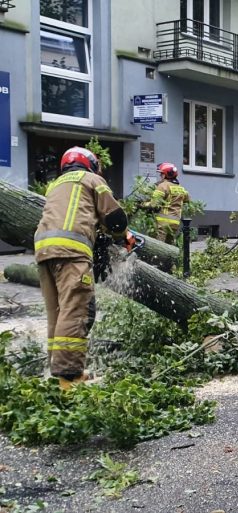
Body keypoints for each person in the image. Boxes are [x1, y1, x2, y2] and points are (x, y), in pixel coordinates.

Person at [35, 147, 130, 390]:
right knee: (77, 310)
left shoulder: (55, 185)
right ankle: (70, 377)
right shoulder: (92, 179)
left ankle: (57, 373)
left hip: (44, 250)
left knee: (58, 312)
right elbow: (115, 217)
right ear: (91, 164)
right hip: (72, 251)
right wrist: (121, 236)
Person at [147, 162, 189, 244]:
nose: (160, 176)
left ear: (165, 175)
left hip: (163, 222)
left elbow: (154, 204)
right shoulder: (181, 188)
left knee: (159, 246)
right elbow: (187, 200)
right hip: (175, 223)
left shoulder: (162, 186)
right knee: (169, 246)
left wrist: (142, 204)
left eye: (161, 174)